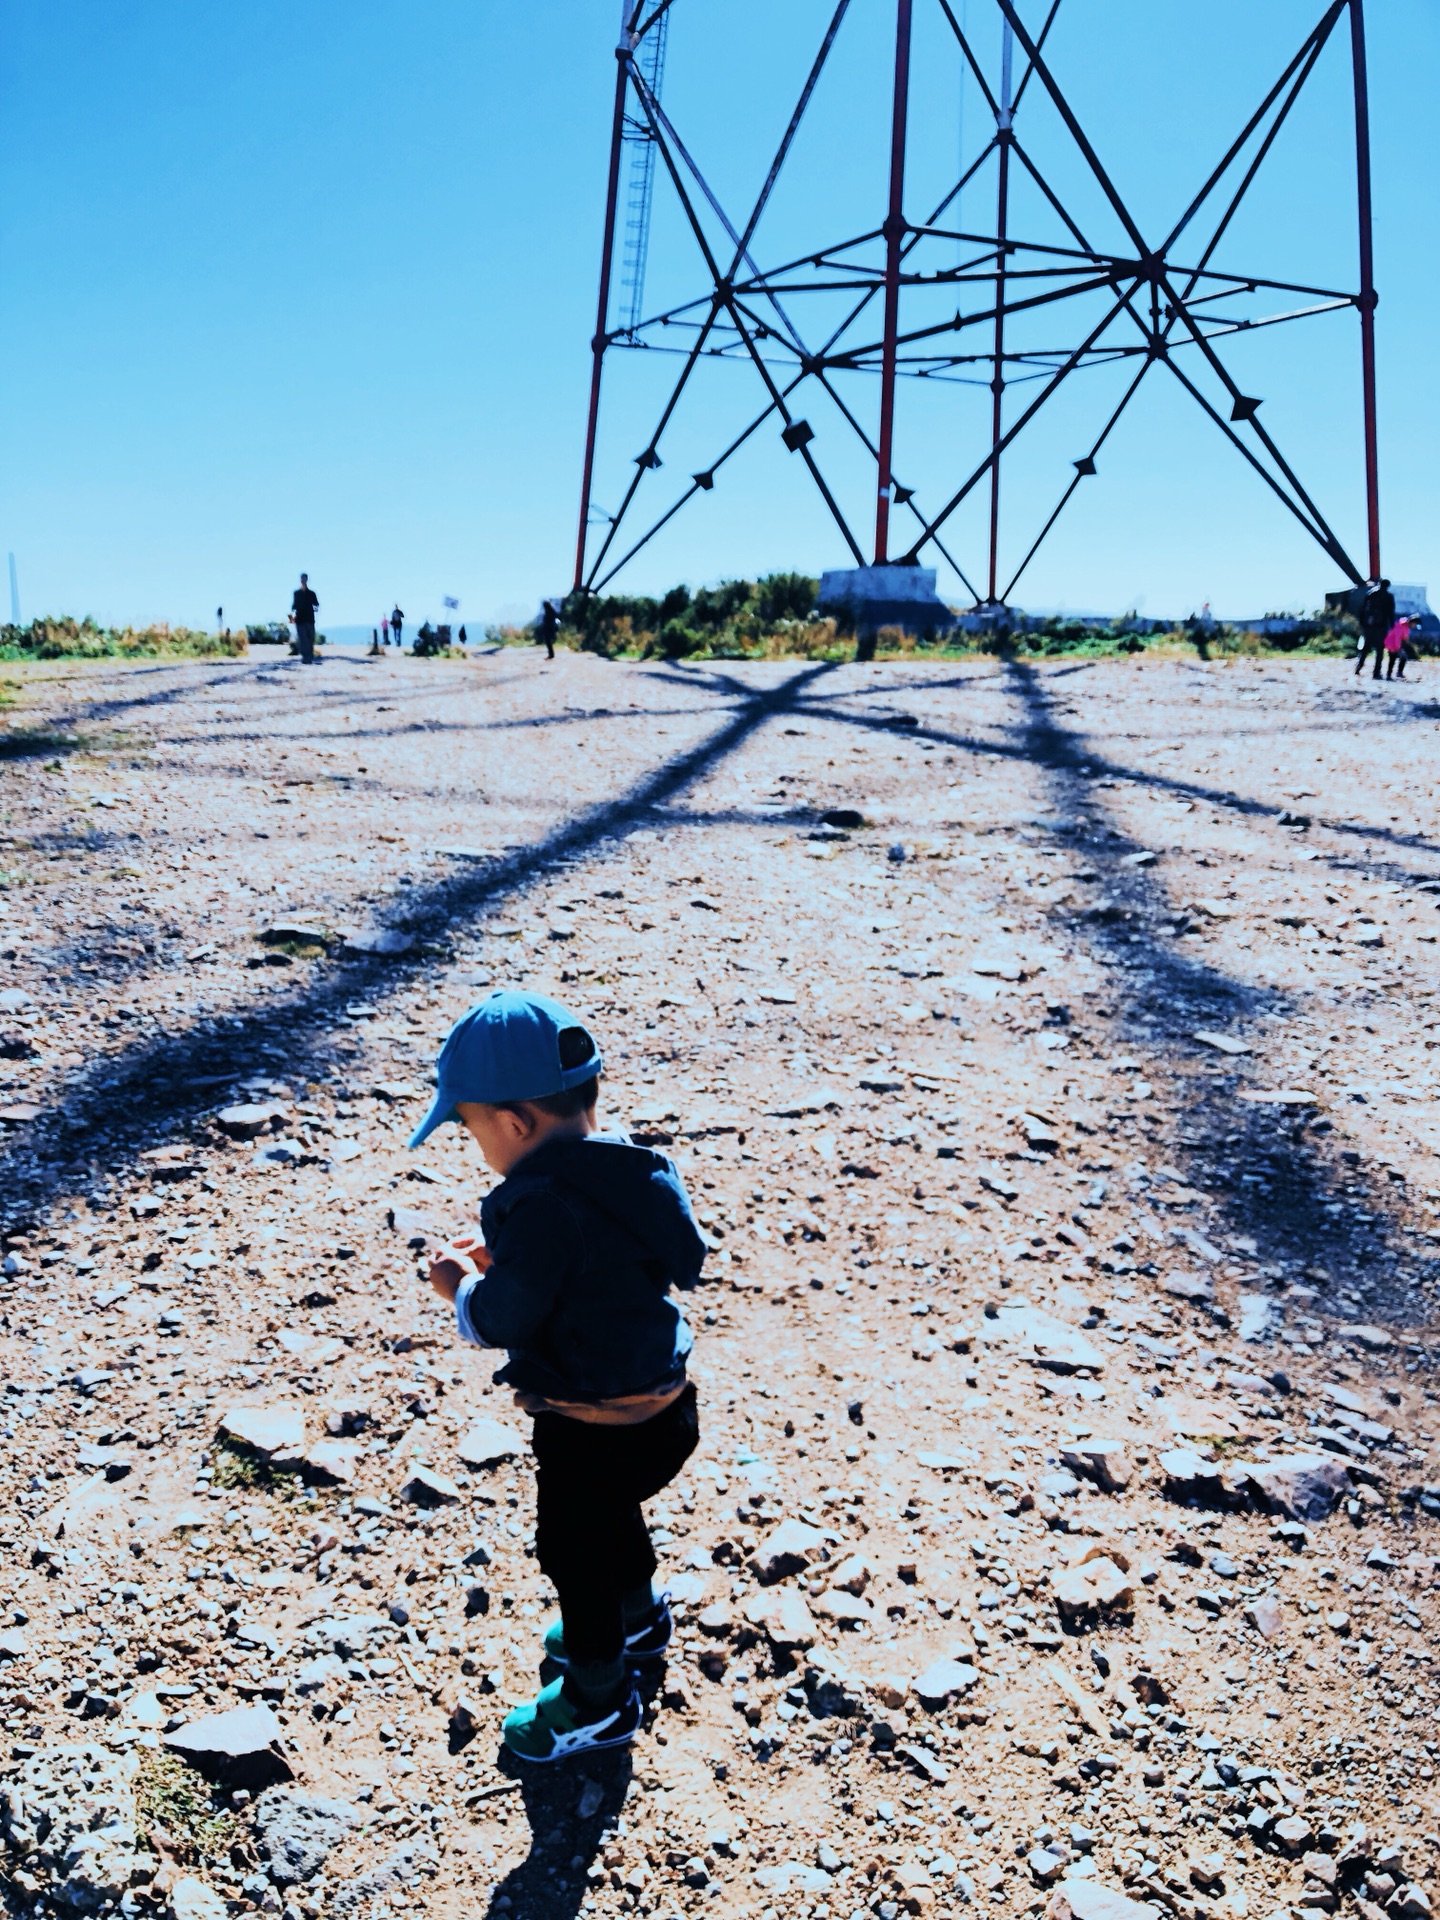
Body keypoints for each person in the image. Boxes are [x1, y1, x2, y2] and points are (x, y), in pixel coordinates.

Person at [414, 990, 705, 1762]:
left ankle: (598, 1699)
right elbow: (675, 1255)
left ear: (514, 1124)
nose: (477, 1146)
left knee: (573, 1552)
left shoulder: (539, 1206)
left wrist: (461, 1285)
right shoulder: (637, 1171)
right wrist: (522, 1255)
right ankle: (638, 1617)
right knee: (616, 1519)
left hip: (590, 1429)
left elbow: (504, 1318)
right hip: (667, 1410)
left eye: (472, 1129)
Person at [1355, 577, 1395, 679]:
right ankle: (1376, 672)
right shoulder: (1389, 596)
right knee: (1379, 650)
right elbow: (1390, 613)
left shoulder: (1371, 593)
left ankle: (1359, 667)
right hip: (1381, 627)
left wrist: (1362, 623)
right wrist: (1392, 627)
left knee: (1366, 648)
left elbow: (1362, 609)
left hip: (1369, 626)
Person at [291, 573, 320, 664]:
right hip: (300, 620)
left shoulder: (312, 594)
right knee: (302, 639)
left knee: (310, 638)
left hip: (310, 619)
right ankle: (305, 658)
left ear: (307, 580)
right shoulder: (296, 593)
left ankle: (309, 657)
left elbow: (316, 605)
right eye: (302, 579)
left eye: (304, 579)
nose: (303, 581)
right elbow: (294, 606)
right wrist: (292, 617)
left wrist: (314, 609)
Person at [1384, 614, 1413, 681]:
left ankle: (1398, 673)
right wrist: (1397, 647)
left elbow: (1404, 636)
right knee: (1392, 659)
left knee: (1403, 657)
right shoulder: (1401, 625)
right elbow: (1396, 637)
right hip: (1391, 644)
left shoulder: (1406, 626)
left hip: (1397, 644)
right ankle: (1389, 674)